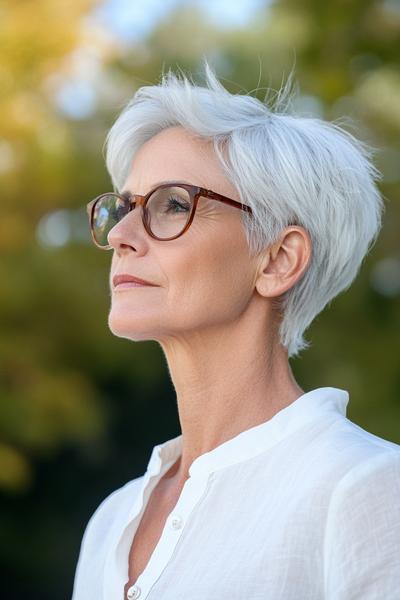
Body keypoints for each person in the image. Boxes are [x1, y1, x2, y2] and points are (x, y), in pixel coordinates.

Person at [72, 58, 400, 600]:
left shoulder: (364, 489)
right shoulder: (111, 520)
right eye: (122, 207)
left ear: (277, 260)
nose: (121, 235)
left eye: (172, 204)